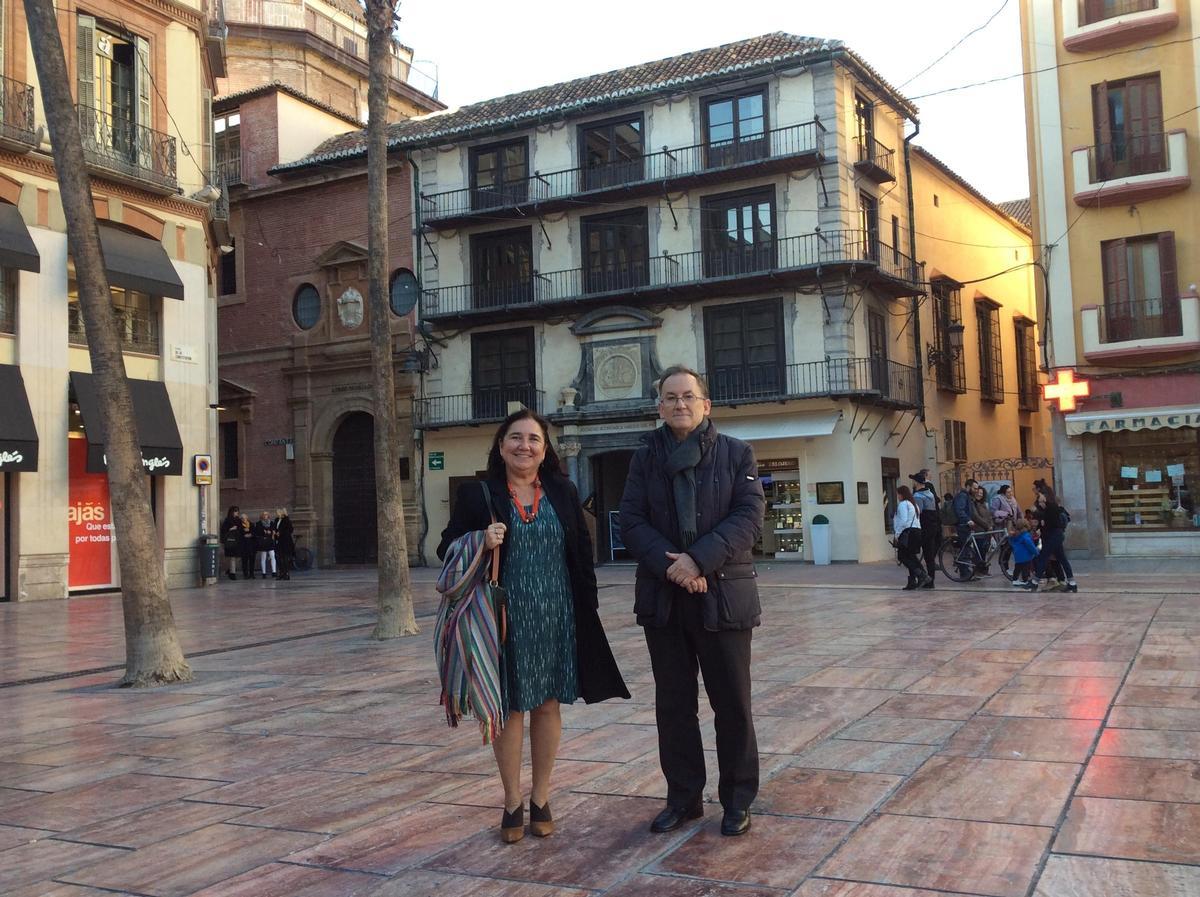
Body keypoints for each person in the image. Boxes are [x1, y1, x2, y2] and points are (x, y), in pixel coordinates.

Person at [438, 409, 629, 844]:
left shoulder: (563, 491)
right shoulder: (478, 494)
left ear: (545, 450)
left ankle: (541, 796)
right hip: (503, 617)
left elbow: (581, 552)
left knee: (547, 704)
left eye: (534, 439)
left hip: (557, 615)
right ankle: (511, 801)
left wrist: (588, 610)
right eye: (516, 438)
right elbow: (446, 546)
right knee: (509, 707)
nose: (524, 446)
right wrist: (480, 540)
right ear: (501, 446)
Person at [620, 365, 765, 838]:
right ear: (659, 407)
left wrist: (698, 560)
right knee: (674, 706)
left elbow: (749, 515)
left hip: (723, 596)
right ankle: (683, 798)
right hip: (665, 599)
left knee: (732, 704)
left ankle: (737, 800)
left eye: (688, 396)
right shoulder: (645, 457)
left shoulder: (737, 453)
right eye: (670, 397)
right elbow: (632, 520)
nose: (679, 403)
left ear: (706, 404)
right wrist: (676, 568)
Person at [1027, 483, 1078, 592]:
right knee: (1062, 559)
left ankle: (1035, 582)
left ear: (1045, 498)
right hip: (1054, 536)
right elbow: (1044, 522)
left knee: (1043, 556)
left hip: (1054, 536)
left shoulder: (1052, 508)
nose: (1040, 503)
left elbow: (1049, 522)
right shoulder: (1047, 509)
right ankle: (1072, 583)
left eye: (1041, 500)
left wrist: (1038, 515)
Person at [894, 486, 933, 590]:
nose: (897, 496)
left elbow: (903, 521)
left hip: (908, 532)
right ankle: (914, 580)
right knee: (911, 557)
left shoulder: (903, 504)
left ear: (902, 494)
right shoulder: (913, 504)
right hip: (916, 531)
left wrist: (897, 534)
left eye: (898, 494)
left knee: (902, 556)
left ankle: (921, 575)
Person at [909, 475, 939, 588]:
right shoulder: (930, 494)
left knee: (911, 554)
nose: (912, 483)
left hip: (922, 528)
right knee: (929, 557)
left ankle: (918, 578)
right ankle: (931, 581)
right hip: (932, 527)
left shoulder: (918, 496)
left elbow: (918, 512)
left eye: (913, 481)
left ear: (916, 482)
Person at [951, 479, 979, 580]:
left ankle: (967, 572)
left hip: (966, 525)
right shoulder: (962, 496)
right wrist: (968, 520)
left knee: (967, 549)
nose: (976, 490)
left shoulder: (967, 496)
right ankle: (964, 573)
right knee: (964, 548)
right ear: (968, 487)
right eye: (974, 488)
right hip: (962, 525)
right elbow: (960, 510)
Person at [1008, 517, 1038, 588]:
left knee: (1017, 568)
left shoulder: (1015, 535)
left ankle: (1015, 580)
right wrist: (1036, 552)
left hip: (1017, 555)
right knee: (1025, 569)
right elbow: (1030, 545)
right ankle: (1025, 580)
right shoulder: (1025, 535)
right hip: (1026, 556)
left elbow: (1011, 542)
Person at [253, 511, 277, 579]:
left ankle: (274, 572)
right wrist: (264, 532)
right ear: (262, 516)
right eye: (264, 514)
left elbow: (274, 530)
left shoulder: (271, 523)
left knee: (272, 556)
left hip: (270, 541)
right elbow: (257, 532)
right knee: (263, 557)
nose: (265, 515)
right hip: (263, 542)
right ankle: (264, 573)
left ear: (268, 515)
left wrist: (271, 532)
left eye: (266, 514)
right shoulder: (259, 523)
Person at [221, 506, 242, 580]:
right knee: (232, 557)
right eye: (235, 511)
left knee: (238, 557)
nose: (237, 512)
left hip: (237, 540)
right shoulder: (227, 520)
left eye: (237, 511)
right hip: (230, 540)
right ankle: (232, 573)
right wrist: (231, 528)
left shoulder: (239, 520)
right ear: (232, 512)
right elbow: (223, 530)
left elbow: (241, 529)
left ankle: (230, 570)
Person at [273, 508, 294, 581]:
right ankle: (281, 573)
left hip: (285, 541)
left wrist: (281, 533)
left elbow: (290, 530)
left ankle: (286, 573)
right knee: (278, 557)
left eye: (278, 512)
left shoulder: (286, 520)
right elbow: (274, 528)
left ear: (282, 513)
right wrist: (274, 532)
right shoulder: (276, 520)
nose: (277, 514)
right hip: (278, 541)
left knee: (285, 558)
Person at [238, 514, 256, 580]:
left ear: (247, 518)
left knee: (252, 560)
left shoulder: (251, 524)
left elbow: (255, 533)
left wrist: (250, 534)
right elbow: (239, 534)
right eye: (242, 518)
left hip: (252, 545)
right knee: (244, 561)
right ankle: (245, 574)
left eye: (245, 518)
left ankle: (252, 574)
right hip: (244, 546)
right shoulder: (240, 525)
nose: (244, 519)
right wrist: (244, 533)